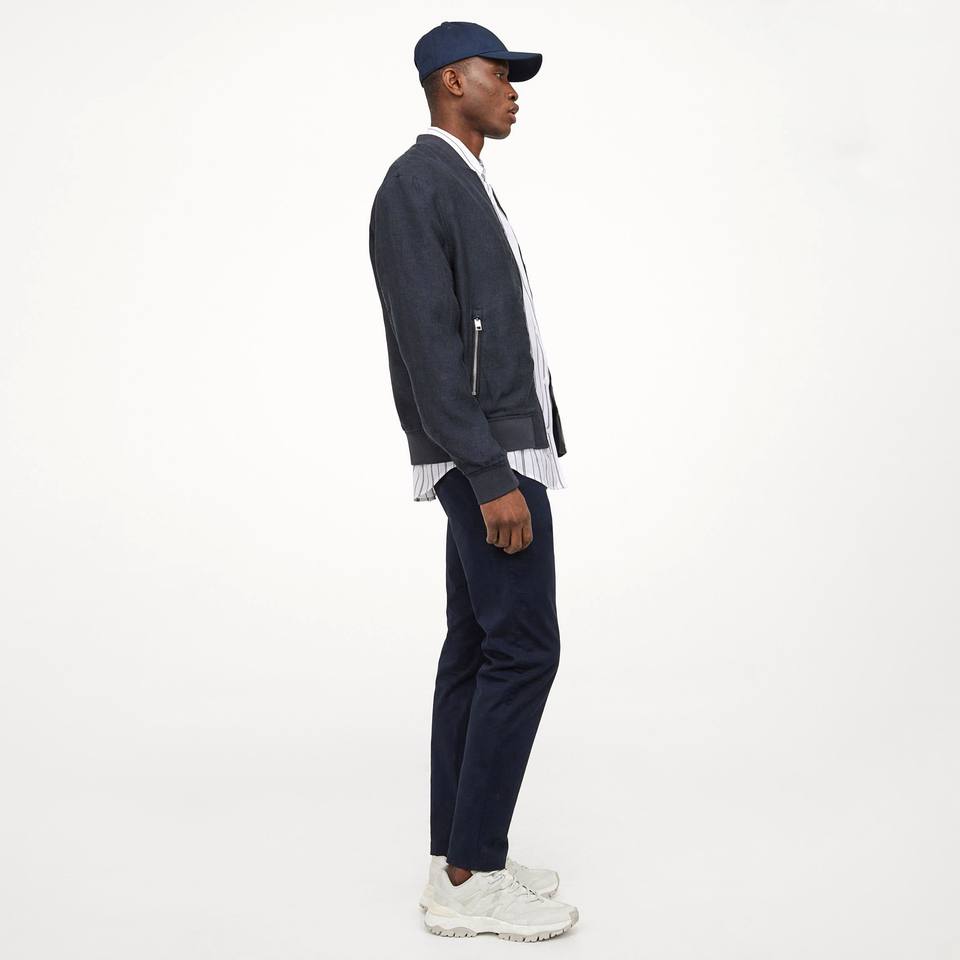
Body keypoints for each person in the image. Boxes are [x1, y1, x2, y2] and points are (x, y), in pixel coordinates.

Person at [368, 20, 579, 942]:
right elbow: (428, 345)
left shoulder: (462, 179)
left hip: (496, 449)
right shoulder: (418, 183)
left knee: (477, 644)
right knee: (525, 648)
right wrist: (490, 472)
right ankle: (473, 874)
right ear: (453, 80)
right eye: (501, 73)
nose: (514, 90)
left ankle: (456, 857)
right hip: (484, 458)